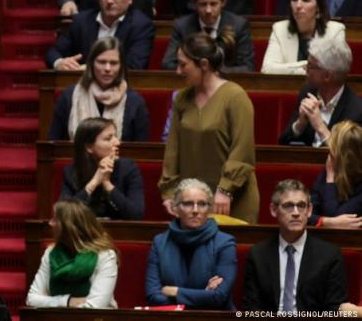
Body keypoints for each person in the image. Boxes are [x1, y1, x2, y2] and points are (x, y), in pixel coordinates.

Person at [159, 34, 259, 223]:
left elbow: (242, 150)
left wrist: (225, 189)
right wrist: (169, 192)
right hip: (192, 202)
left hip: (231, 200)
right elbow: (172, 151)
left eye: (183, 65)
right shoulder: (182, 98)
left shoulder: (236, 96)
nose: (178, 72)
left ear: (203, 65)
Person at [243, 179, 348, 312]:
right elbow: (252, 308)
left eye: (301, 205)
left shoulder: (330, 255)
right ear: (273, 210)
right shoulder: (258, 254)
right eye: (288, 206)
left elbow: (334, 310)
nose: (296, 212)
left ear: (309, 210)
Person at [145, 178, 237, 309]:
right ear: (175, 208)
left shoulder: (225, 243)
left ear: (209, 209)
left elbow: (219, 297)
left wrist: (174, 291)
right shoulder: (160, 243)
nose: (195, 210)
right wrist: (203, 296)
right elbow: (153, 296)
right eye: (188, 204)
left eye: (202, 204)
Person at [45, 0, 154, 71]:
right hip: (81, 86)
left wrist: (89, 69)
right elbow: (53, 52)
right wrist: (59, 62)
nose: (110, 1)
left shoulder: (141, 25)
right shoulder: (81, 21)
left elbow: (134, 65)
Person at [48, 37, 150, 142]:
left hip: (119, 158)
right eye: (102, 62)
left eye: (114, 63)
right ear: (91, 64)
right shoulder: (69, 97)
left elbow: (141, 151)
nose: (107, 68)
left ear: (121, 67)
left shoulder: (135, 102)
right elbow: (53, 145)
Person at [26, 199, 118, 308]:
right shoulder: (51, 253)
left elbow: (95, 307)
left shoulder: (105, 256)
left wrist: (50, 302)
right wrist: (67, 301)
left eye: (55, 219)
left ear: (68, 228)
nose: (50, 223)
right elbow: (32, 298)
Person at [278, 36, 362, 146]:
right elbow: (283, 143)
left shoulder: (356, 111)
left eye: (310, 66)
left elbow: (348, 157)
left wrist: (320, 127)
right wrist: (299, 124)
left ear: (327, 76)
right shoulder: (307, 92)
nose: (305, 69)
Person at [162, 0, 255, 72]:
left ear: (223, 2)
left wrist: (213, 73)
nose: (208, 10)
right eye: (203, 4)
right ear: (194, 3)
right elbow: (168, 64)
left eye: (213, 4)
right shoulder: (182, 26)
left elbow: (248, 67)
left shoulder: (239, 26)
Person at [58, 118, 144, 220]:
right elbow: (63, 215)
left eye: (115, 136)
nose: (117, 142)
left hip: (121, 233)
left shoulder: (128, 168)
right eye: (108, 139)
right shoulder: (71, 172)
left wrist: (107, 184)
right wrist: (94, 182)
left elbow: (137, 215)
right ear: (89, 147)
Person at [263, 0, 347, 75]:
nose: (298, 6)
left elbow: (335, 71)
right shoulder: (279, 29)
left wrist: (289, 68)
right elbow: (267, 69)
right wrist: (305, 65)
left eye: (305, 0)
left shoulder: (335, 31)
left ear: (318, 7)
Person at [311, 121, 362, 228]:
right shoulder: (328, 171)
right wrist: (326, 222)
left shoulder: (330, 172)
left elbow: (336, 218)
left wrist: (330, 179)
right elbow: (307, 214)